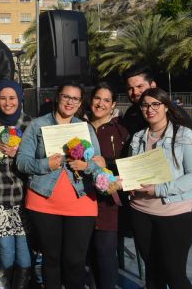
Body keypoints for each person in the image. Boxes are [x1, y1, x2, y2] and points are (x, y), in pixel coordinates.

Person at [16, 82, 102, 289]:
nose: (70, 102)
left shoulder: (85, 127)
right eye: (66, 97)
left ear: (81, 102)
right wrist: (46, 164)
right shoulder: (37, 125)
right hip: (44, 202)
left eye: (75, 99)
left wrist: (85, 164)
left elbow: (99, 162)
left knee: (75, 261)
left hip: (81, 201)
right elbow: (21, 161)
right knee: (51, 259)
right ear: (58, 97)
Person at [126, 87, 192, 289]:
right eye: (145, 105)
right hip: (141, 212)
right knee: (152, 273)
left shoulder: (184, 135)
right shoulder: (137, 137)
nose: (150, 109)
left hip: (175, 214)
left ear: (166, 107)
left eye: (155, 104)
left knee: (175, 274)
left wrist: (159, 189)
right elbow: (133, 170)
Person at [0, 80, 32, 289]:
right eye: (3, 98)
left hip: (24, 197)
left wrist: (18, 153)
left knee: (23, 248)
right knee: (5, 249)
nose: (7, 102)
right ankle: (11, 283)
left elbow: (38, 159)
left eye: (12, 98)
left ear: (20, 99)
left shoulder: (31, 125)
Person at [87, 82, 129, 289]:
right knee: (89, 257)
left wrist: (108, 164)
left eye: (106, 100)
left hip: (108, 204)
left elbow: (129, 164)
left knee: (105, 255)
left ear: (113, 105)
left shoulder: (120, 130)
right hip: (81, 201)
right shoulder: (78, 125)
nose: (100, 104)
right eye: (97, 98)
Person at [121, 64, 192, 137]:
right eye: (130, 88)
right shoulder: (130, 114)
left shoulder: (176, 113)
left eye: (140, 86)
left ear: (152, 85)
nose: (135, 92)